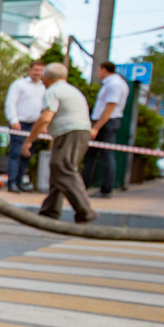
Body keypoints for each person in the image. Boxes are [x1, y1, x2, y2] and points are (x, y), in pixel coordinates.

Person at [28, 61, 95, 223]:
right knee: (59, 169)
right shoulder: (73, 91)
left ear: (47, 78)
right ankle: (49, 212)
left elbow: (46, 117)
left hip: (70, 132)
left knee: (63, 168)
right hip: (79, 132)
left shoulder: (53, 90)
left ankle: (85, 211)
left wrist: (29, 141)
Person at [87, 61, 130, 197]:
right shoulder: (117, 83)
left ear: (103, 69)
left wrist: (96, 127)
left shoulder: (114, 84)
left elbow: (109, 108)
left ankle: (106, 189)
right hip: (106, 122)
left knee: (106, 156)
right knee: (94, 156)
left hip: (106, 123)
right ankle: (85, 186)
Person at [3, 60, 46, 192]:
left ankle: (20, 181)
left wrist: (42, 125)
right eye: (36, 69)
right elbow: (11, 102)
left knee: (27, 154)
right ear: (30, 70)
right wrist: (13, 119)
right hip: (20, 124)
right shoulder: (19, 84)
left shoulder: (43, 87)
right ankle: (12, 182)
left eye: (40, 70)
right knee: (16, 152)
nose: (38, 73)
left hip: (35, 125)